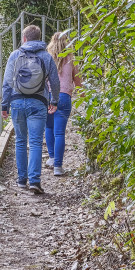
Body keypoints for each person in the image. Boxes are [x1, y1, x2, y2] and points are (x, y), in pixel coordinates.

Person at [2, 24, 60, 194]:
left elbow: (7, 83)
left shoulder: (15, 55)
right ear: (39, 38)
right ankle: (34, 181)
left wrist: (4, 105)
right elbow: (55, 82)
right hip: (38, 102)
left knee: (20, 141)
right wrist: (54, 101)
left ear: (24, 38)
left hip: (17, 102)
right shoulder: (46, 56)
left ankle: (21, 180)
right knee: (35, 142)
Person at [45, 31, 82, 176]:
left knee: (49, 127)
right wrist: (83, 96)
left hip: (48, 96)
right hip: (64, 97)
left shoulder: (47, 58)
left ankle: (52, 158)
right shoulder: (71, 59)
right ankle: (58, 167)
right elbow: (78, 81)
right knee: (59, 132)